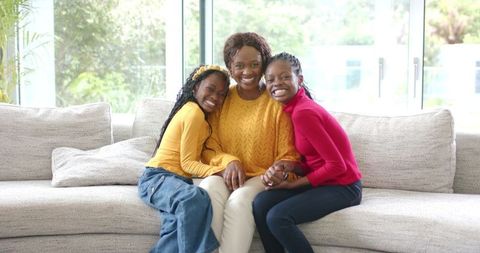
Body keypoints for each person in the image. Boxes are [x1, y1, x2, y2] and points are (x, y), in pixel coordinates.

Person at [252, 52, 363, 253]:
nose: (277, 83)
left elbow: (337, 166)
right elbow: (317, 161)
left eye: (285, 77)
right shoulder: (293, 109)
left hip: (344, 187)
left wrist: (293, 183)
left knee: (278, 217)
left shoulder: (304, 113)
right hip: (324, 183)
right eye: (271, 79)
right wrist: (294, 167)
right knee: (261, 203)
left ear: (299, 79)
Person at [199, 33, 299, 253]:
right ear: (229, 67)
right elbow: (209, 146)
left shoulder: (276, 101)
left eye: (255, 64)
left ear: (264, 63)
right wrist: (229, 161)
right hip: (226, 172)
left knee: (240, 201)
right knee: (207, 190)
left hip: (262, 176)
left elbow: (289, 154)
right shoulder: (223, 98)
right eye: (240, 65)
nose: (248, 72)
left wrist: (278, 170)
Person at [137, 64, 230, 253]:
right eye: (210, 89)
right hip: (158, 178)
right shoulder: (193, 112)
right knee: (193, 198)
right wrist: (220, 171)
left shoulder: (202, 118)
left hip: (174, 180)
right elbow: (187, 163)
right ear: (196, 87)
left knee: (175, 229)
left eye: (221, 94)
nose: (215, 97)